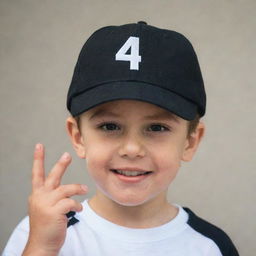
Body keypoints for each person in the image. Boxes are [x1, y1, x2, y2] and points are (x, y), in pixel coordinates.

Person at [3, 21, 239, 256]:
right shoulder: (40, 235)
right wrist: (42, 248)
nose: (132, 148)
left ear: (191, 141)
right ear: (78, 137)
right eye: (109, 126)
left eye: (156, 127)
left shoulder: (211, 247)